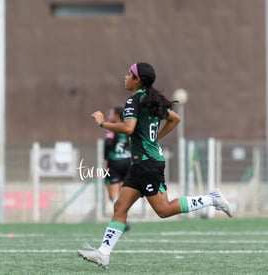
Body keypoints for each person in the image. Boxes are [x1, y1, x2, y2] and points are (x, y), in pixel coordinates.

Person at [78, 62, 232, 267]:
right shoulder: (151, 100)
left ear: (137, 79)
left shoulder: (134, 100)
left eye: (129, 74)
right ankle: (103, 253)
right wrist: (155, 138)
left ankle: (212, 199)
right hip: (140, 164)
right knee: (120, 206)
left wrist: (102, 123)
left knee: (164, 210)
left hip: (147, 164)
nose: (125, 77)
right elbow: (175, 119)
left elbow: (129, 128)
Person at [103, 107, 132, 231]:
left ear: (116, 116)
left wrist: (105, 161)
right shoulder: (129, 127)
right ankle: (122, 217)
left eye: (110, 113)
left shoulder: (113, 128)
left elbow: (108, 144)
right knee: (121, 194)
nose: (109, 116)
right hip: (127, 161)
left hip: (115, 162)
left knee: (113, 195)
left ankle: (122, 219)